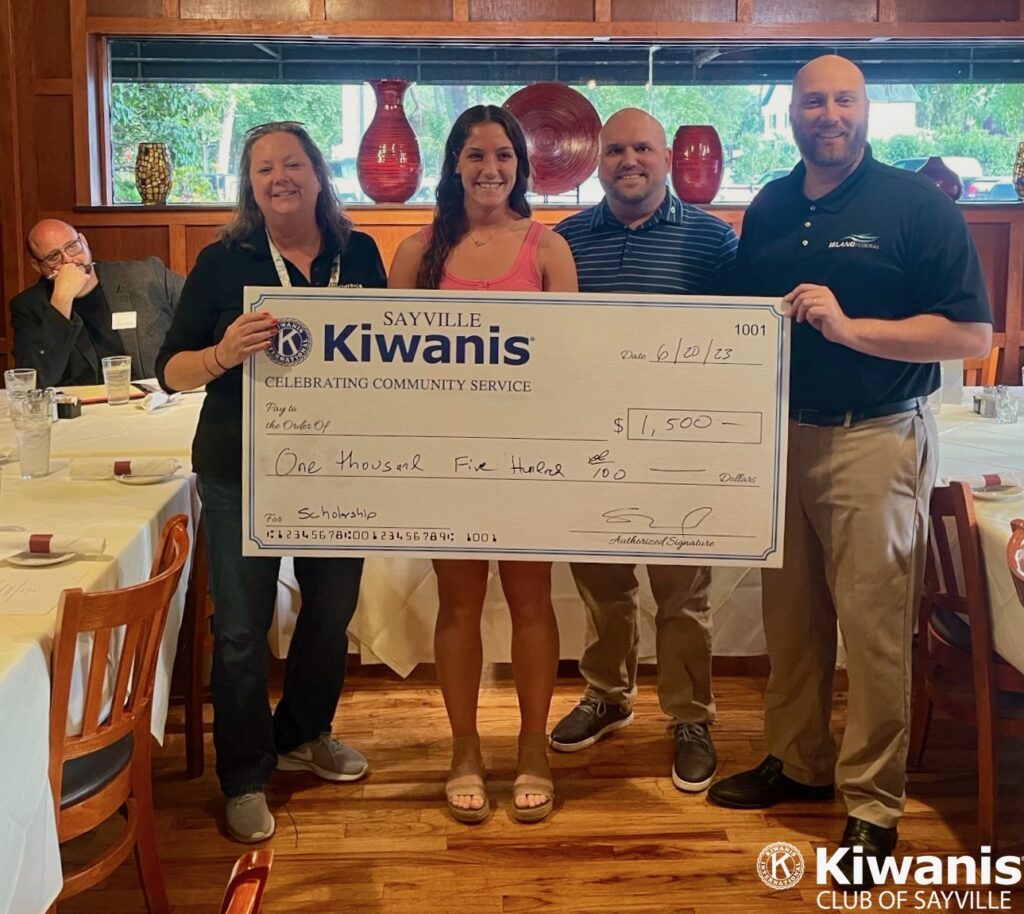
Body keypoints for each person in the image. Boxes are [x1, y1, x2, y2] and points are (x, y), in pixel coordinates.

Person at [707, 56, 992, 889]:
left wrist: (852, 327)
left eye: (843, 100)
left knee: (872, 631)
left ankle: (872, 804)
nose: (827, 114)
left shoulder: (917, 205)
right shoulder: (769, 203)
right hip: (782, 438)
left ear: (866, 111)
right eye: (811, 102)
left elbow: (970, 337)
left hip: (876, 440)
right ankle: (798, 762)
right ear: (790, 116)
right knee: (789, 622)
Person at [156, 122, 387, 843]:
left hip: (338, 469)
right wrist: (222, 354)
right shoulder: (223, 261)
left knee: (328, 616)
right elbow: (171, 368)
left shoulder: (361, 252)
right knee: (242, 632)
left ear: (319, 175)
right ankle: (245, 773)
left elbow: (387, 352)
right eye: (263, 169)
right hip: (239, 470)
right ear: (249, 185)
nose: (279, 177)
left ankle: (304, 733)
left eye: (293, 164)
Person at [389, 105, 577, 824]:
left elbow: (570, 365)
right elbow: (390, 368)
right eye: (475, 155)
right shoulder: (418, 252)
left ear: (521, 166)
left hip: (530, 460)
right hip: (447, 461)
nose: (490, 168)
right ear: (454, 165)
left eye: (503, 155)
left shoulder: (548, 250)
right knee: (458, 604)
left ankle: (533, 748)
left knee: (532, 601)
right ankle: (464, 748)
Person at [550, 108, 737, 793]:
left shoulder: (714, 242)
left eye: (643, 149)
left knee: (684, 595)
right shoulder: (564, 241)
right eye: (616, 150)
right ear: (598, 161)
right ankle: (608, 694)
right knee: (603, 586)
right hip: (592, 445)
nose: (630, 160)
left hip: (681, 450)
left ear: (667, 158)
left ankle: (690, 717)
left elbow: (736, 353)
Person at [11, 219, 183, 388]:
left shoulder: (145, 275)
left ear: (84, 241)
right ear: (37, 266)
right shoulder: (28, 307)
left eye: (72, 246)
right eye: (53, 257)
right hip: (82, 411)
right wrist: (61, 301)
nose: (69, 261)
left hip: (154, 402)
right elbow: (35, 382)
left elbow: (204, 313)